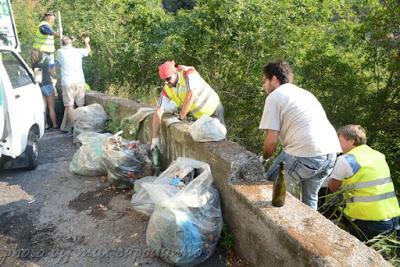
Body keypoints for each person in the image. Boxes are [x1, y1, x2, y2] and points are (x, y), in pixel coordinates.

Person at [259, 60, 341, 209]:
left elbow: (271, 140)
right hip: (330, 154)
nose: (263, 85)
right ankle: (310, 231)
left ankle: (271, 230)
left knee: (269, 186)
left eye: (265, 80)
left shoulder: (275, 96)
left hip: (307, 152)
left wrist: (262, 160)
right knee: (310, 200)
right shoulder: (304, 93)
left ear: (274, 79)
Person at [328, 124, 400, 241]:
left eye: (339, 140)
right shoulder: (378, 155)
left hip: (369, 221)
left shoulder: (347, 160)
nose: (337, 144)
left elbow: (332, 187)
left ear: (352, 141)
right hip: (392, 217)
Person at [151, 60, 225, 150]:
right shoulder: (167, 89)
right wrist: (155, 139)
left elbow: (191, 94)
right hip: (201, 116)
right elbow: (159, 110)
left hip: (213, 109)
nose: (166, 82)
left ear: (175, 72)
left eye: (168, 78)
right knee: (207, 141)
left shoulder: (188, 73)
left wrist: (180, 117)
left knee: (219, 139)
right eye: (163, 80)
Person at [56, 36, 91, 132]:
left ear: (62, 43)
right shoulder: (78, 51)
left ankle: (74, 128)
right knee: (80, 105)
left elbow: (58, 64)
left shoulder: (59, 52)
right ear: (71, 42)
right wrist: (86, 41)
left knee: (69, 106)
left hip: (67, 82)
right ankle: (83, 127)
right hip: (80, 81)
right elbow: (88, 50)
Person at [32, 51, 58, 129]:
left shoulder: (33, 66)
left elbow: (37, 78)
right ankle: (55, 124)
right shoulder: (45, 64)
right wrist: (57, 76)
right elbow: (53, 74)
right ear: (41, 55)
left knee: (44, 108)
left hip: (40, 87)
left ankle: (45, 125)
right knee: (51, 107)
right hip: (48, 85)